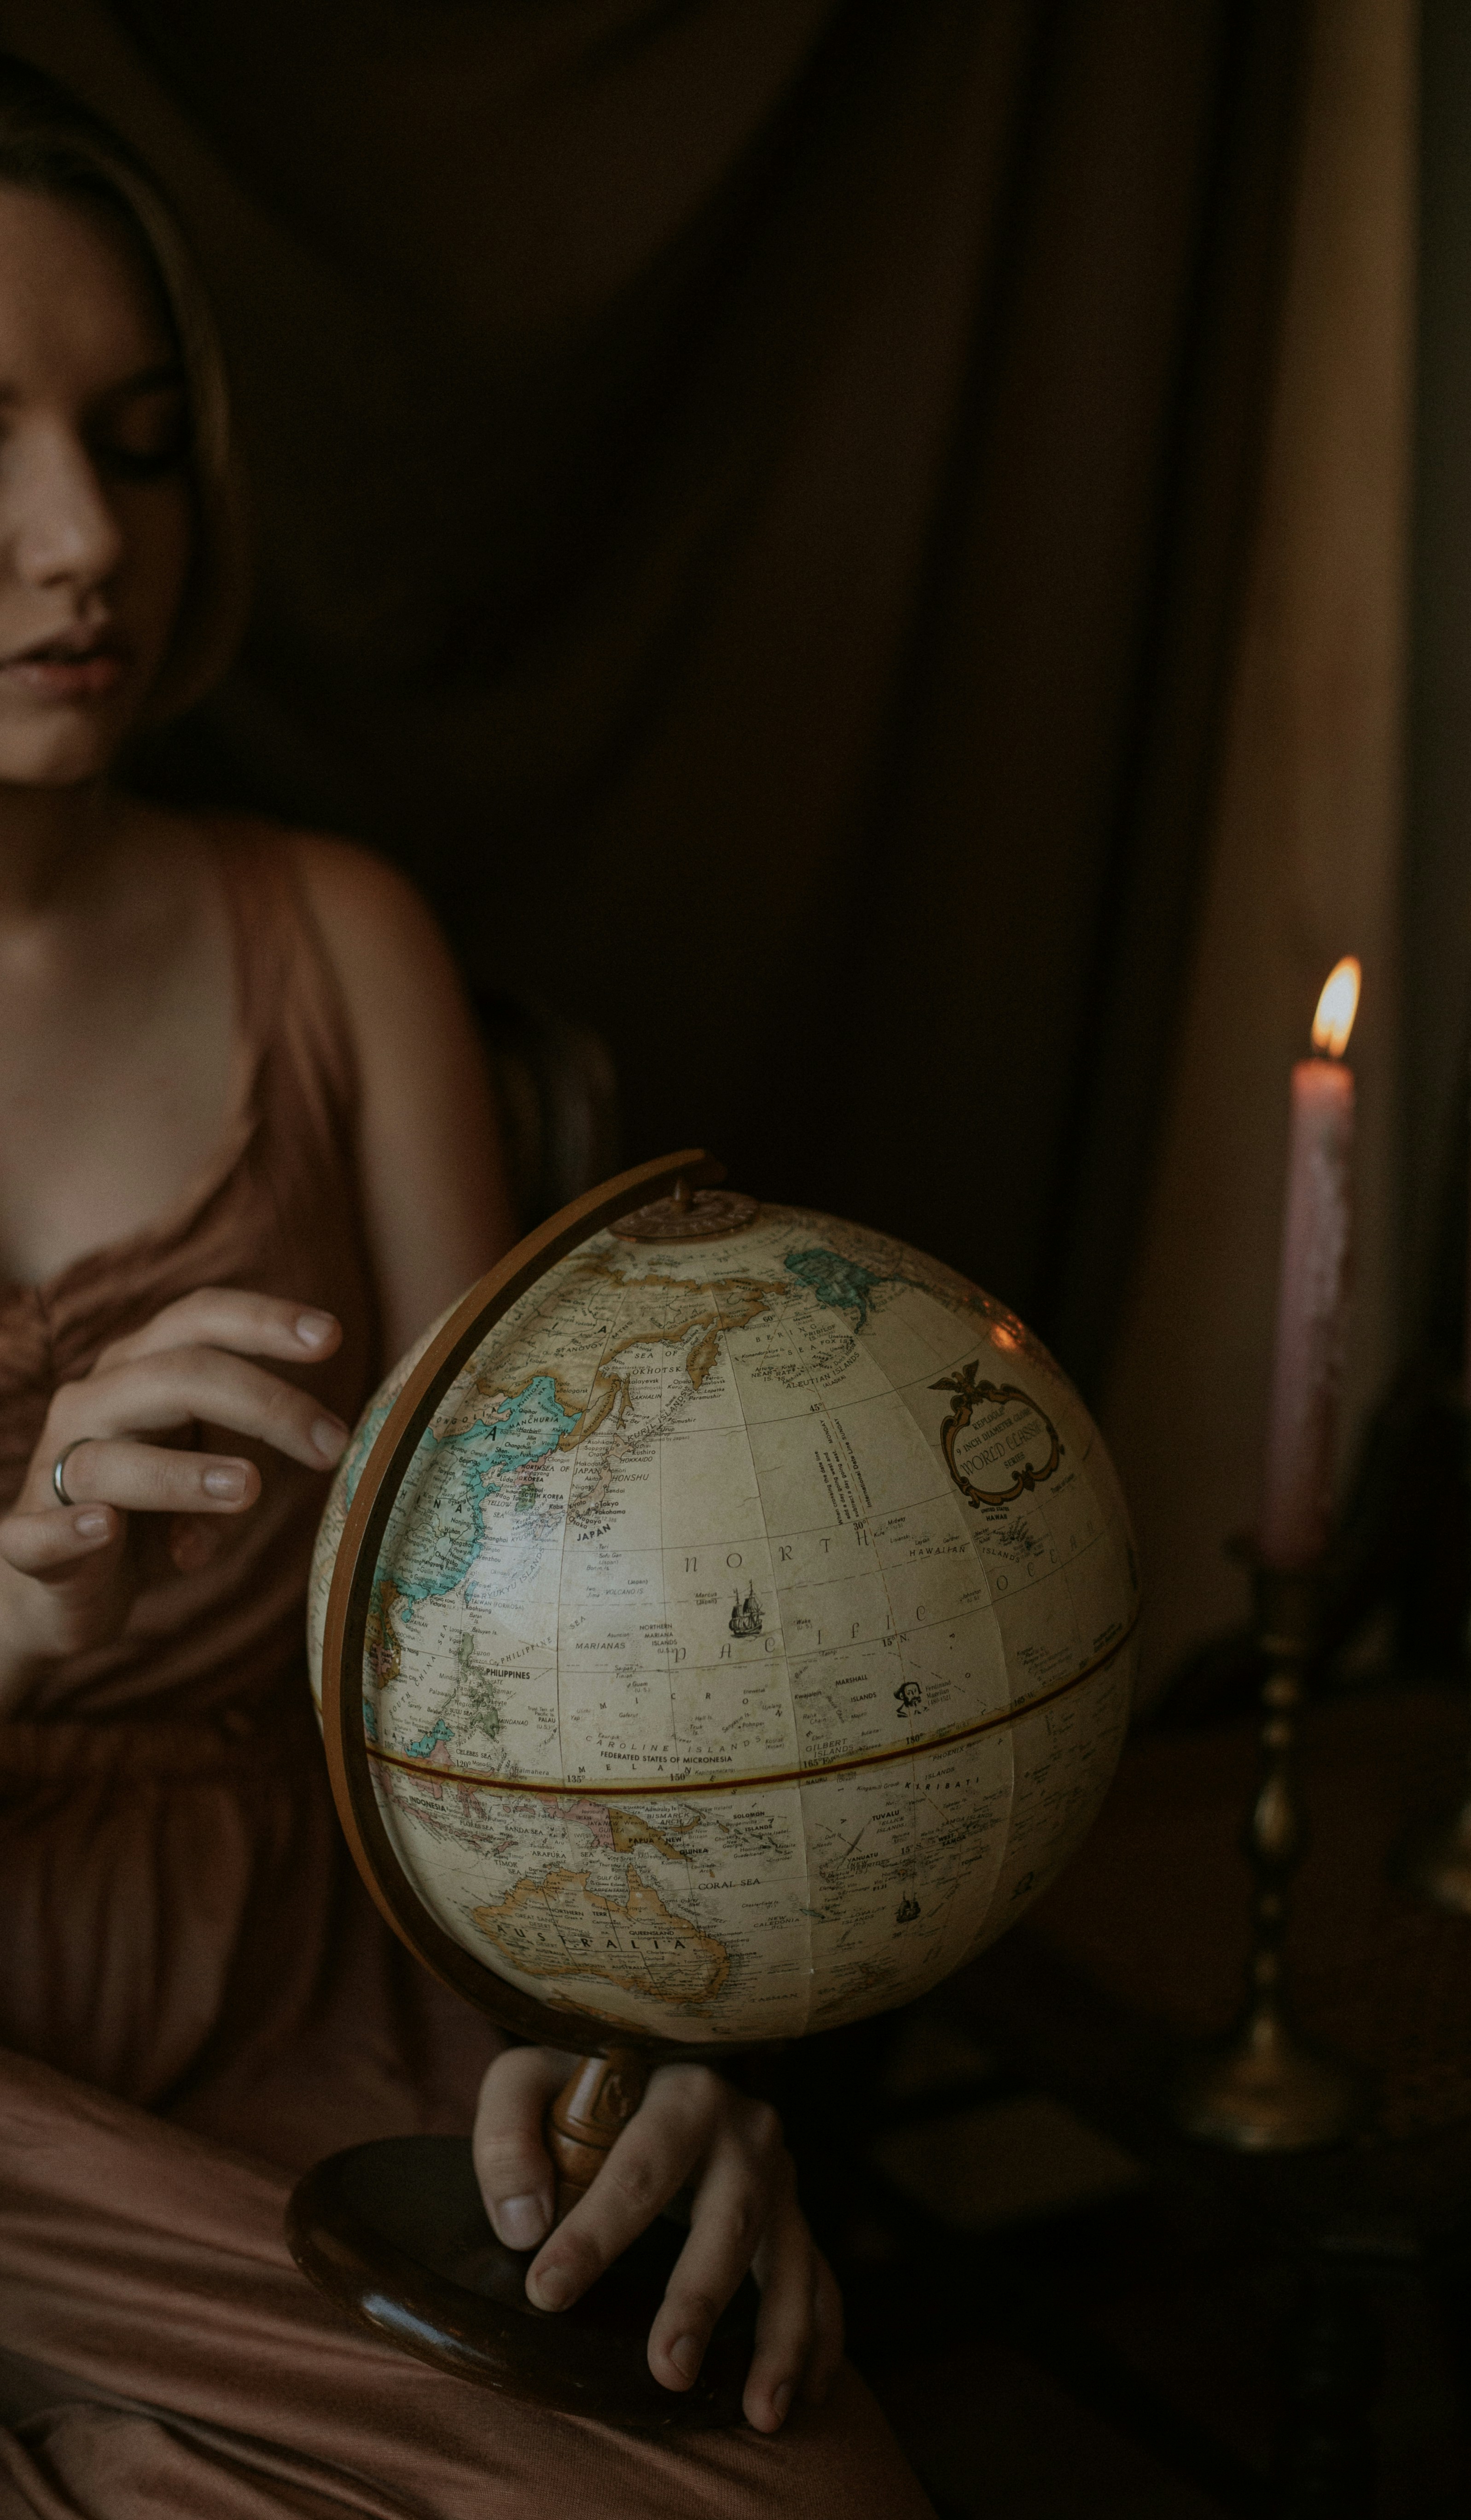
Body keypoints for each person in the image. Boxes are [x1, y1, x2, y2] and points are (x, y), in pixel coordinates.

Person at [0, 55, 929, 2520]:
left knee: (800, 2492)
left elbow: (543, 1686)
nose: (79, 534)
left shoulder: (340, 942)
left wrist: (652, 2065)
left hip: (341, 1998)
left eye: (142, 433)